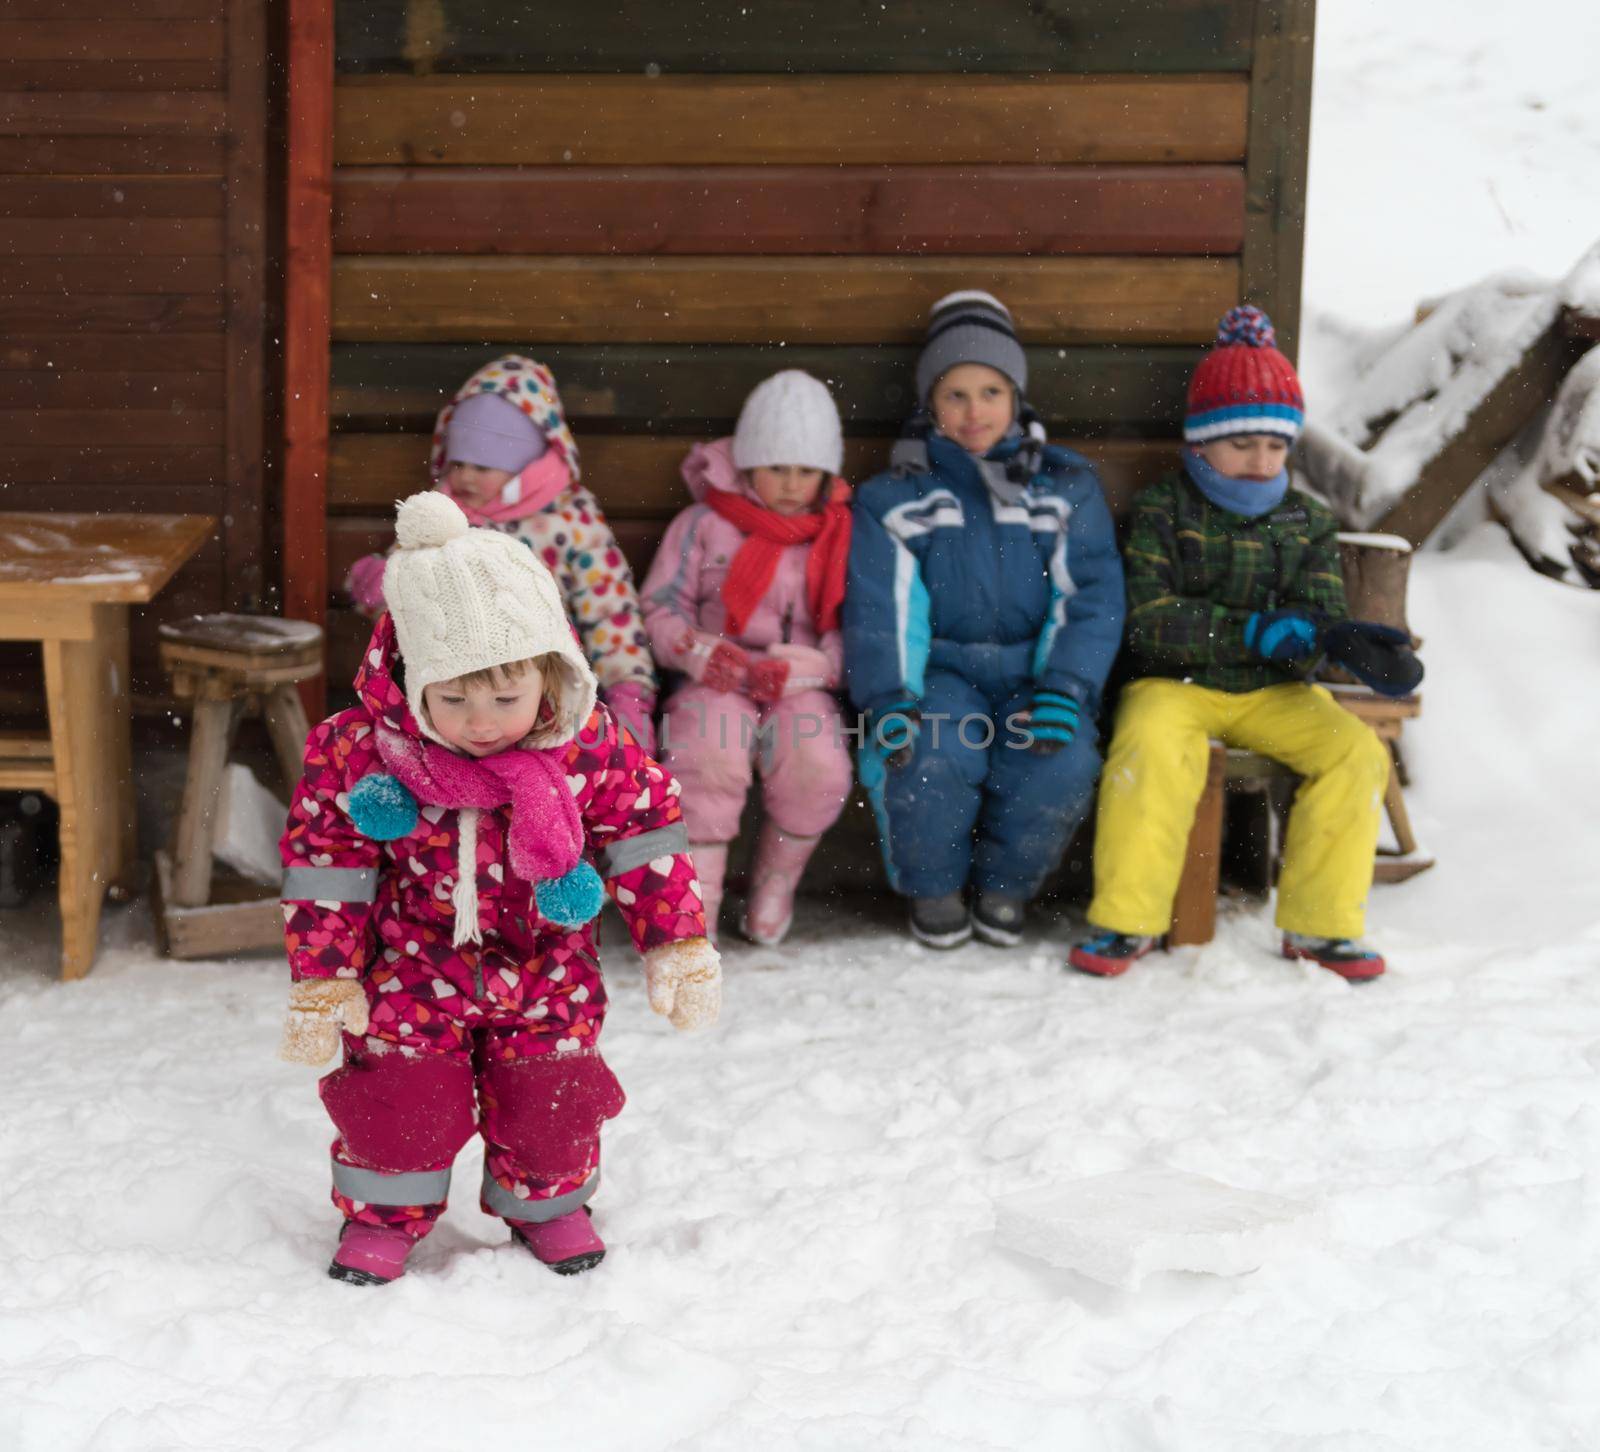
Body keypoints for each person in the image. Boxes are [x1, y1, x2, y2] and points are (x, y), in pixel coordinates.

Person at [279, 491, 721, 1287]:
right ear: (409, 678)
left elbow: (645, 833)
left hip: (547, 962)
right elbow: (326, 861)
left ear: (549, 672)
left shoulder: (585, 747)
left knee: (554, 1094)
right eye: (453, 699)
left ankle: (546, 1204)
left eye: (506, 698)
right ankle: (384, 1214)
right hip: (410, 964)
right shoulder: (363, 754)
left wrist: (677, 942)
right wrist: (323, 973)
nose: (483, 722)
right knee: (398, 1098)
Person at [1068, 305, 1393, 981]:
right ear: (1202, 442)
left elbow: (1321, 613)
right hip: (1173, 687)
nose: (1261, 460)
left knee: (1356, 753)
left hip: (1274, 693)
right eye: (1243, 443)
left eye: (1276, 446)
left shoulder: (1309, 523)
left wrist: (1324, 640)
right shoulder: (1164, 510)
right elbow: (1150, 619)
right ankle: (1126, 918)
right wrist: (1249, 630)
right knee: (1150, 750)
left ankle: (1321, 924)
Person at [843, 292, 1125, 948]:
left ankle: (1006, 887)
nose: (975, 412)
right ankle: (932, 886)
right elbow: (883, 608)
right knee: (929, 750)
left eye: (991, 391)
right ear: (930, 404)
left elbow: (1089, 596)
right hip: (942, 670)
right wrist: (891, 698)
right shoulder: (900, 496)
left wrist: (1066, 687)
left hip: (1038, 670)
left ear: (1016, 397)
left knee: (1057, 755)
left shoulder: (1063, 487)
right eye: (956, 394)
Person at [344, 354, 660, 751]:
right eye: (457, 462)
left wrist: (627, 687)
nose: (464, 476)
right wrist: (379, 585)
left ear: (525, 466)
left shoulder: (572, 521)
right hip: (454, 697)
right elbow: (410, 600)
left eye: (483, 465)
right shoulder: (443, 513)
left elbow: (610, 608)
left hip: (540, 691)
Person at [640, 370, 854, 945]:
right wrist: (696, 651)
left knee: (818, 766)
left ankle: (775, 883)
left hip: (800, 685)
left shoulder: (837, 534)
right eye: (777, 466)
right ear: (747, 461)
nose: (790, 483)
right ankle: (698, 903)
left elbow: (856, 627)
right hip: (714, 677)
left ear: (825, 473)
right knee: (705, 756)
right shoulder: (704, 524)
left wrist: (814, 667)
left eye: (805, 470)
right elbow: (659, 607)